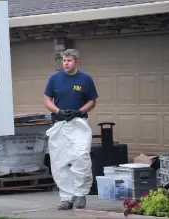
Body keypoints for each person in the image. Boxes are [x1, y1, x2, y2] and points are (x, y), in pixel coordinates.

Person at [43, 49, 99, 210]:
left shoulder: (85, 79)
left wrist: (79, 111)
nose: (66, 63)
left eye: (69, 61)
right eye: (64, 61)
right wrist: (58, 111)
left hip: (78, 124)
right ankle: (66, 198)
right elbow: (47, 99)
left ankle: (80, 194)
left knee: (81, 157)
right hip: (59, 124)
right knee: (60, 162)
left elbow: (92, 101)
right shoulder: (54, 78)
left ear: (76, 62)